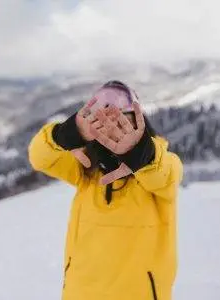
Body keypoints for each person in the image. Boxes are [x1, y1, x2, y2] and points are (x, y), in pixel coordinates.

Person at [28, 80, 183, 300]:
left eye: (122, 121)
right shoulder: (86, 168)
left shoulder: (157, 167)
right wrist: (68, 135)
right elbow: (39, 156)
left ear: (140, 125)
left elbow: (166, 173)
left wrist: (139, 155)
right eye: (103, 121)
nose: (113, 129)